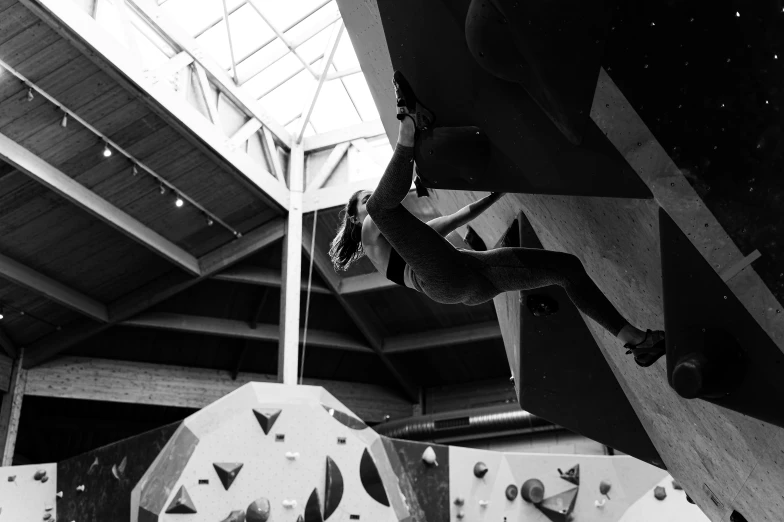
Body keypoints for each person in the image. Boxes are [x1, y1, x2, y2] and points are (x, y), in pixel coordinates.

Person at [329, 71, 665, 367]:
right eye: (363, 199)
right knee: (383, 208)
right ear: (354, 220)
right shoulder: (371, 238)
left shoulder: (416, 244)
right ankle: (408, 124)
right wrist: (410, 164)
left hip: (468, 278)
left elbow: (456, 217)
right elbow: (383, 205)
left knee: (567, 269)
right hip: (445, 279)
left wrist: (497, 193)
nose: (370, 198)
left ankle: (637, 342)